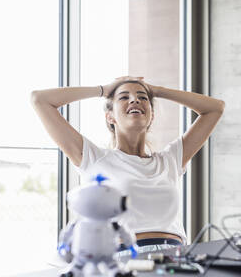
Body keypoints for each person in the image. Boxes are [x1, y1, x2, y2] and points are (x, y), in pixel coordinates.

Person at [31, 76, 224, 250]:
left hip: (175, 255)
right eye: (124, 97)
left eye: (142, 97)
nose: (135, 100)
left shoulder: (170, 160)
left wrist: (155, 90)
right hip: (124, 257)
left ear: (151, 116)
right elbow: (40, 100)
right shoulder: (93, 158)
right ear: (110, 116)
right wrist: (103, 90)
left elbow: (215, 108)